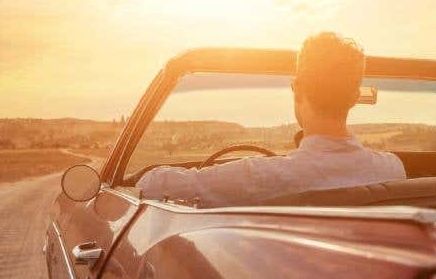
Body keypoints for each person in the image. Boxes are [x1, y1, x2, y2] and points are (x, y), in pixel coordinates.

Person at [137, 32, 406, 206]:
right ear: (353, 97)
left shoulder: (259, 177)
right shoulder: (392, 170)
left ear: (297, 88)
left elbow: (154, 185)